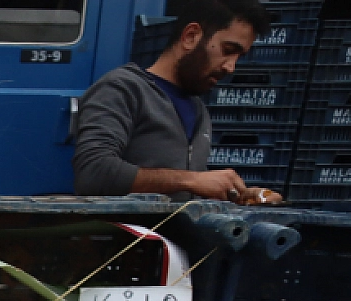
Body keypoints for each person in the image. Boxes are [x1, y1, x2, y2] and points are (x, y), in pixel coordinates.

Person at [74, 0, 281, 202]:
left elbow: (185, 190)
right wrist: (192, 180)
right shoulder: (123, 89)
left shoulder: (199, 109)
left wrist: (237, 195)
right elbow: (94, 173)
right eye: (227, 50)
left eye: (239, 56)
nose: (230, 67)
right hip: (126, 236)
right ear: (190, 36)